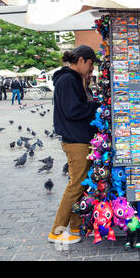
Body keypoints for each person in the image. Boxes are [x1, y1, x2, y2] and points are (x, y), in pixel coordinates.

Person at [48, 45, 101, 245]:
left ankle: (76, 227)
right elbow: (73, 110)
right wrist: (95, 106)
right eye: (90, 63)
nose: (92, 68)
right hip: (76, 141)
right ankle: (57, 231)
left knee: (81, 186)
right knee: (76, 186)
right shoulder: (68, 80)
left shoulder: (74, 79)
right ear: (80, 60)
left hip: (79, 139)